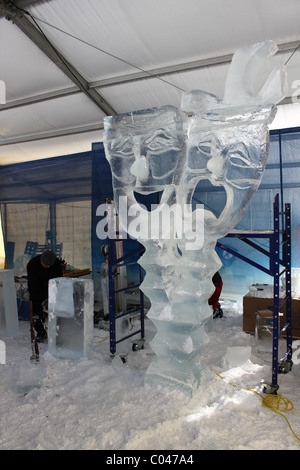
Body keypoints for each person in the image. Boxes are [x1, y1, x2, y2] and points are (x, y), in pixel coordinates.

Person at [27, 250, 62, 341]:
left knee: (56, 312)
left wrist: (52, 296)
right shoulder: (32, 265)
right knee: (36, 314)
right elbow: (33, 286)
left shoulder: (56, 263)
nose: (48, 267)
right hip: (36, 290)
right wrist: (42, 300)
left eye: (49, 266)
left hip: (51, 289)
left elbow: (58, 280)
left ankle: (57, 334)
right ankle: (40, 332)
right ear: (41, 260)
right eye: (45, 265)